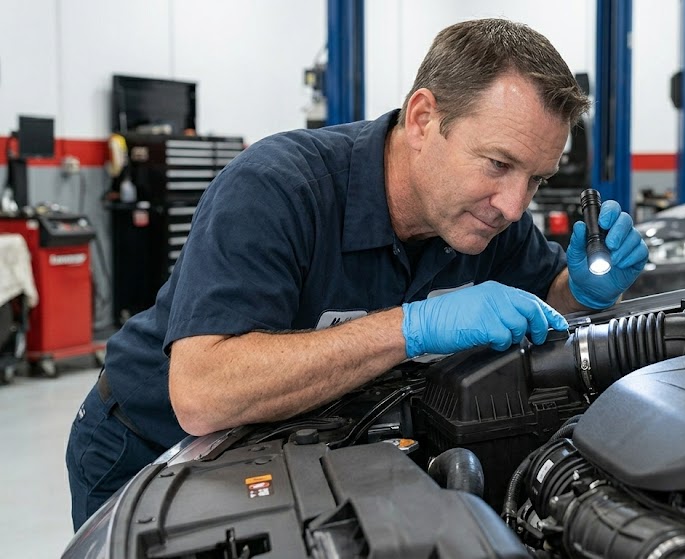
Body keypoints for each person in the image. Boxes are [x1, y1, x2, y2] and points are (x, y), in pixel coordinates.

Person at [65, 18, 648, 529]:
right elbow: (204, 394)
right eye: (498, 164)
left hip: (303, 449)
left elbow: (551, 296)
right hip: (151, 450)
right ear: (423, 118)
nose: (514, 205)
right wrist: (410, 328)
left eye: (537, 179)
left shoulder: (487, 221)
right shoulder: (279, 188)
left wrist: (586, 290)